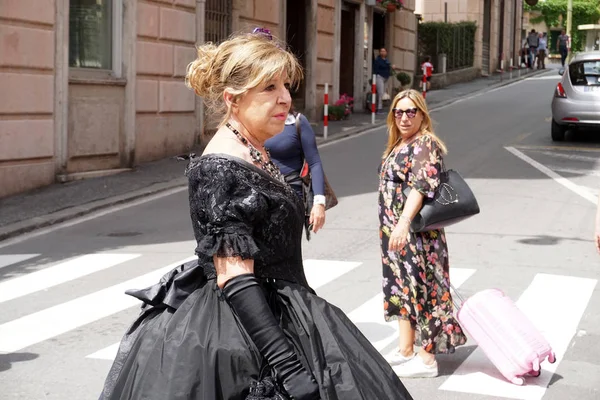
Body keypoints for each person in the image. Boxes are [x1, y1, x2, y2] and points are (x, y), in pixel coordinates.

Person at [98, 30, 413, 400]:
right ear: (233, 99)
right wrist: (288, 366)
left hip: (284, 308)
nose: (285, 97)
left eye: (284, 85)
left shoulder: (255, 149)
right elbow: (234, 276)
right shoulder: (221, 167)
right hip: (244, 329)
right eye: (269, 88)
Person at [377, 89, 467, 378]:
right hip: (395, 232)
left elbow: (421, 186)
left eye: (410, 111)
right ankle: (405, 349)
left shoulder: (425, 143)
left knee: (425, 290)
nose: (404, 117)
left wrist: (403, 222)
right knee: (401, 288)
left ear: (422, 114)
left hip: (417, 235)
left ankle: (427, 358)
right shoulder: (400, 143)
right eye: (398, 112)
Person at [265, 110, 326, 239]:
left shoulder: (296, 121)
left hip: (291, 197)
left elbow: (314, 163)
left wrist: (319, 203)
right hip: (260, 196)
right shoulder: (252, 121)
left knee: (285, 248)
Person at [373, 47, 399, 114]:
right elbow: (376, 69)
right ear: (379, 52)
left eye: (384, 51)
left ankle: (380, 107)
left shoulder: (387, 60)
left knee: (384, 93)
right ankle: (379, 109)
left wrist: (392, 67)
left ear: (386, 53)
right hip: (380, 77)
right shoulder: (378, 60)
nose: (383, 52)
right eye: (381, 51)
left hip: (386, 78)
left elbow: (389, 67)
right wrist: (374, 78)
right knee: (381, 93)